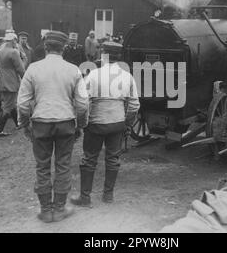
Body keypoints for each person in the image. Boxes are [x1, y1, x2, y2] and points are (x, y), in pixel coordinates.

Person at [17, 30, 89, 223]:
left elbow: (23, 104)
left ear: (46, 47)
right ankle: (59, 209)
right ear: (64, 48)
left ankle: (45, 210)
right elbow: (82, 104)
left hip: (41, 123)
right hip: (65, 123)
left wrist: (24, 125)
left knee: (42, 166)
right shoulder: (73, 69)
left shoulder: (33, 69)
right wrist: (80, 125)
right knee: (63, 165)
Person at [71, 41, 140, 207]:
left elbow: (82, 104)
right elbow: (134, 105)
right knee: (113, 159)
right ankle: (108, 196)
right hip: (117, 124)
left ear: (103, 56)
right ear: (119, 57)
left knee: (89, 159)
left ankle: (85, 198)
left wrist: (81, 124)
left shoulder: (93, 75)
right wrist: (128, 124)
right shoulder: (127, 76)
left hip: (96, 123)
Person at [0, 33, 25, 137]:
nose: (16, 43)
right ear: (13, 40)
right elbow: (20, 69)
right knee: (8, 105)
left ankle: (18, 124)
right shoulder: (14, 52)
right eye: (15, 41)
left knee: (10, 103)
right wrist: (25, 79)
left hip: (2, 80)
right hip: (11, 80)